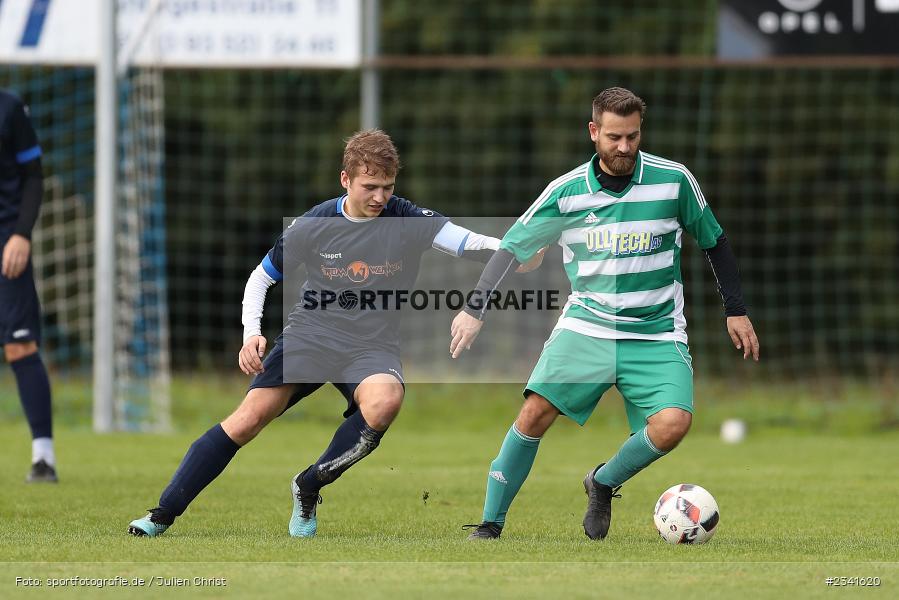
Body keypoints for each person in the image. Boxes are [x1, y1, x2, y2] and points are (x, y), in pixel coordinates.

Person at [128, 129, 542, 538]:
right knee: (247, 420)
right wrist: (251, 332)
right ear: (346, 179)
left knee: (385, 401)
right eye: (369, 187)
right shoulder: (314, 224)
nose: (380, 197)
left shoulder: (409, 219)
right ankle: (161, 515)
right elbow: (261, 277)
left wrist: (517, 251)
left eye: (387, 187)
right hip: (310, 336)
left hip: (371, 346)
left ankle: (308, 485)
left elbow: (473, 243)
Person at [451, 87, 759, 540]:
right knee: (534, 412)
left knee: (674, 424)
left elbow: (715, 241)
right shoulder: (566, 192)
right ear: (593, 132)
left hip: (656, 332)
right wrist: (474, 309)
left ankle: (602, 482)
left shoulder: (673, 181)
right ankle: (490, 523)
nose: (624, 147)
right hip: (587, 326)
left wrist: (736, 310)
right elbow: (512, 248)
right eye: (614, 137)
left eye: (633, 136)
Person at [0, 89, 56, 483]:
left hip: (7, 245)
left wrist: (21, 233)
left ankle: (43, 458)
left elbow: (34, 177)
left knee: (19, 344)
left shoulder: (9, 108)